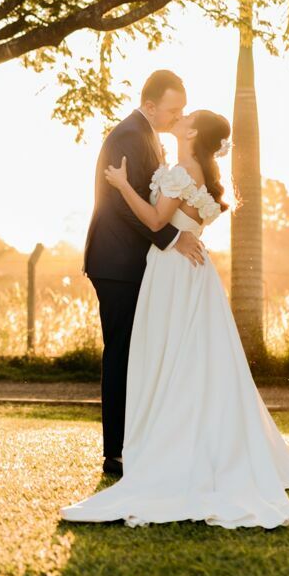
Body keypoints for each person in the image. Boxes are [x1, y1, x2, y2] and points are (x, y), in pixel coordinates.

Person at [65, 107, 289, 529]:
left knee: (171, 357)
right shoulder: (194, 170)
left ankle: (172, 444)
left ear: (193, 132)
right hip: (193, 273)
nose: (179, 118)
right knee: (193, 359)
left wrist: (123, 185)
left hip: (171, 271)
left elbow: (154, 219)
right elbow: (180, 222)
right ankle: (197, 442)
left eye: (187, 117)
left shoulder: (183, 171)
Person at [83, 70, 205, 477]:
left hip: (135, 262)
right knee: (121, 354)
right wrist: (173, 238)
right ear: (150, 106)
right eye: (173, 110)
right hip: (116, 262)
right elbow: (119, 204)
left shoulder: (148, 135)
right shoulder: (127, 137)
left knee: (139, 354)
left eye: (183, 109)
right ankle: (115, 453)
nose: (178, 116)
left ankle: (138, 442)